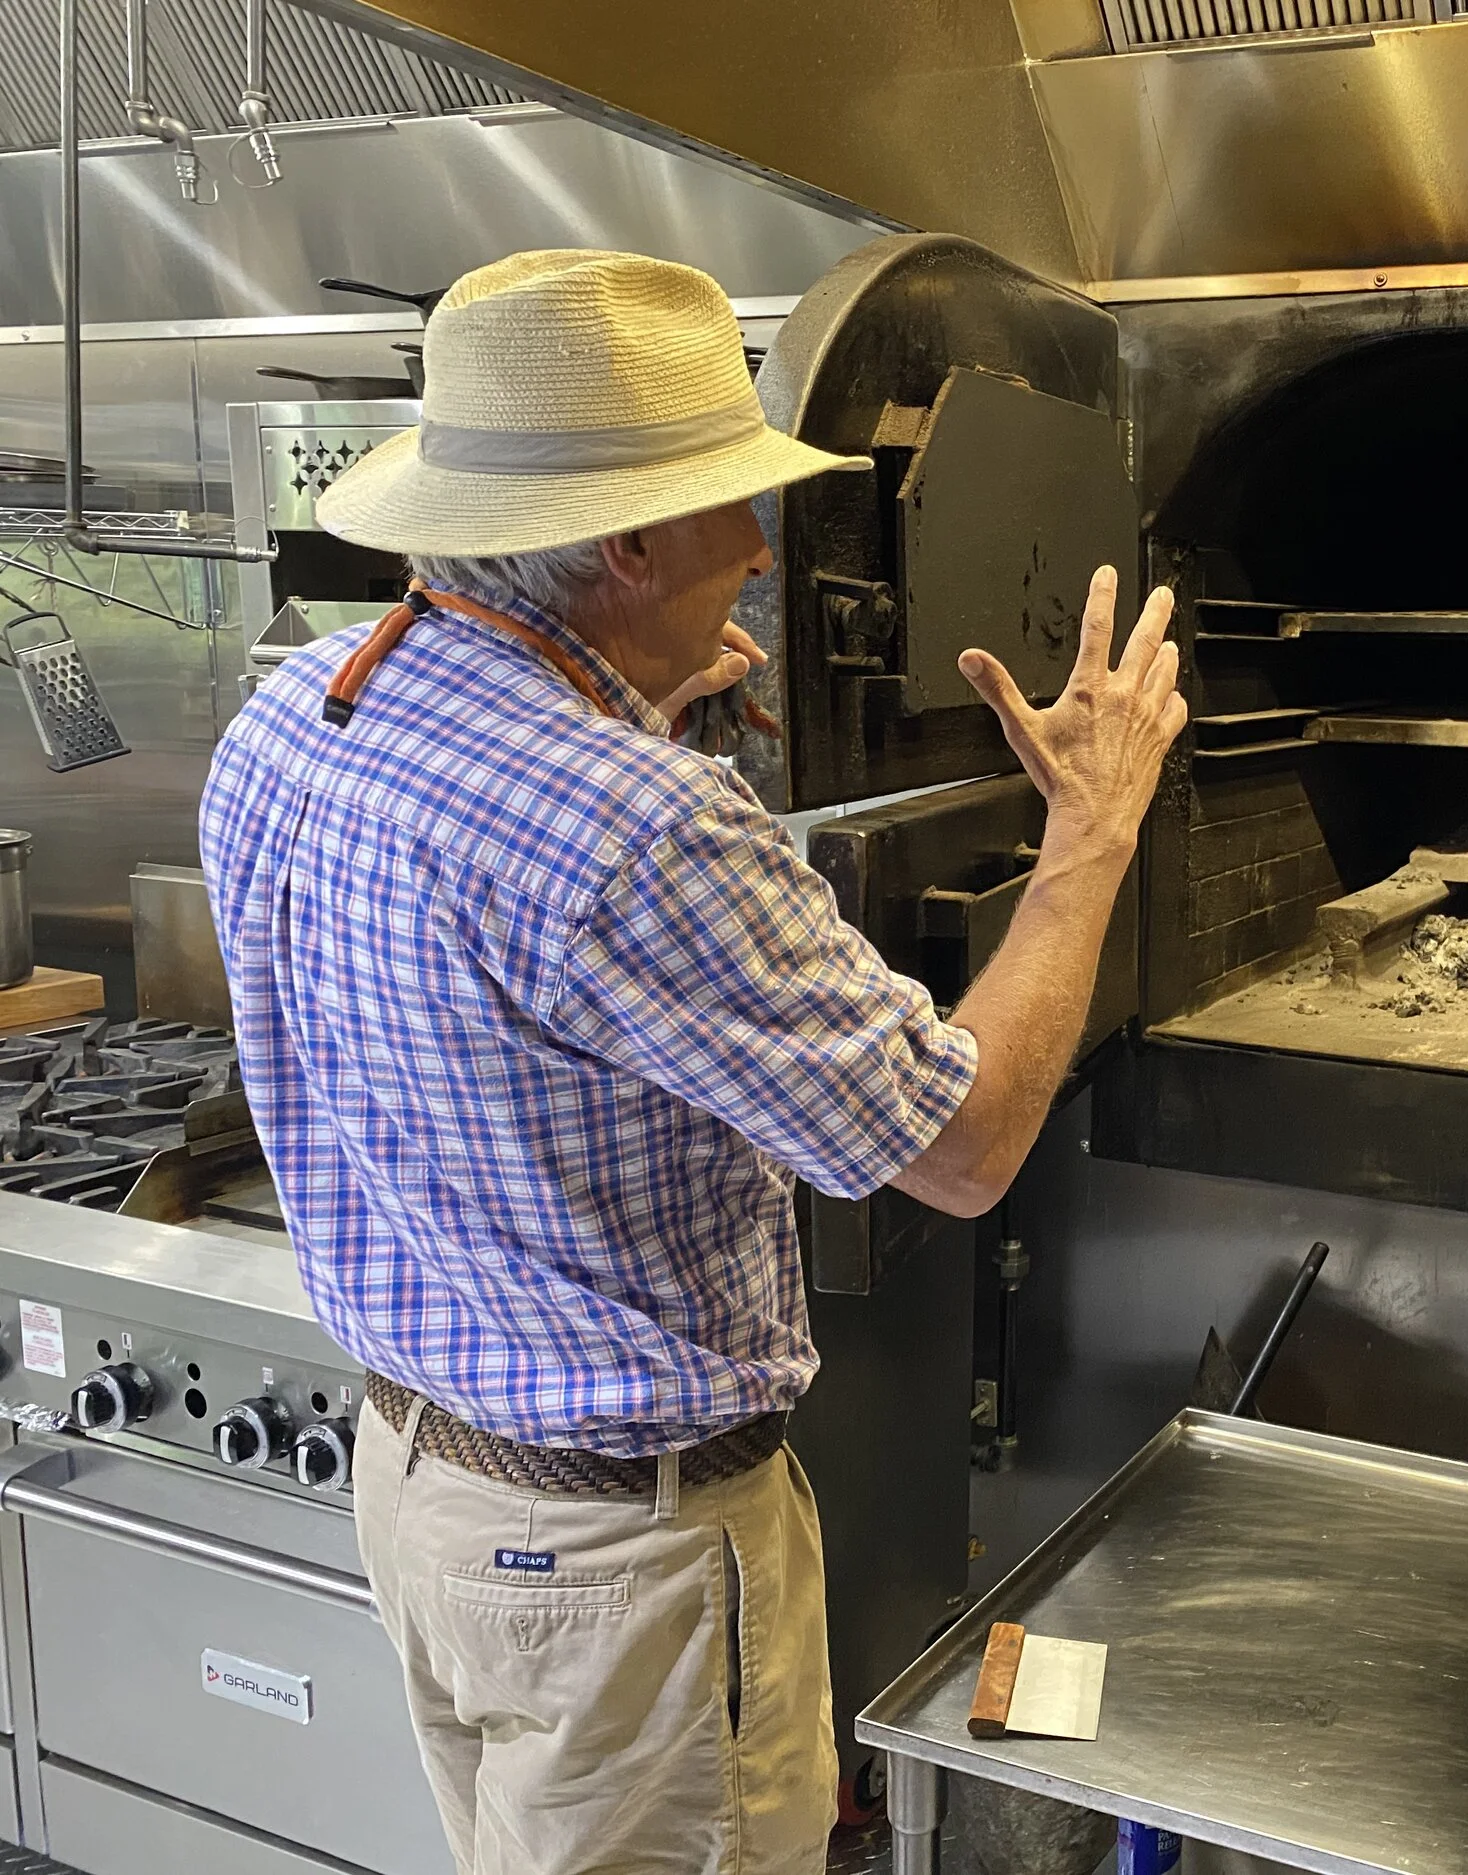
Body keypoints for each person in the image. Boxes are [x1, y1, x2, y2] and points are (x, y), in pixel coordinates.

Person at [196, 249, 1185, 1875]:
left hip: (424, 1491)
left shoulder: (300, 712)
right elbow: (962, 1143)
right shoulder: (637, 827)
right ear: (627, 541)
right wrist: (1089, 837)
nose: (756, 545)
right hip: (615, 1572)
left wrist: (634, 702)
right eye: (729, 507)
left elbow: (525, 923)